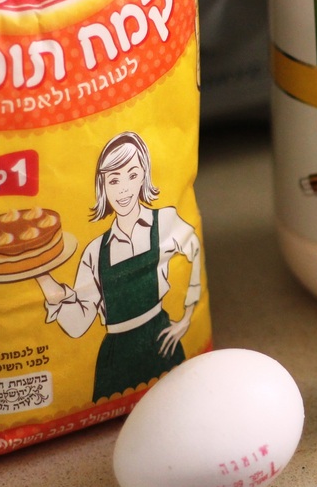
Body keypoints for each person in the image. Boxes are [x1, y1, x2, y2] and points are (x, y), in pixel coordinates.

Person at [36, 131, 201, 401]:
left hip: (162, 342)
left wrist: (187, 318)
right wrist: (45, 280)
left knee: (178, 398)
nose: (123, 189)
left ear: (144, 175)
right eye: (114, 180)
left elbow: (194, 249)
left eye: (132, 175)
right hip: (115, 359)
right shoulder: (95, 251)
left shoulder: (164, 220)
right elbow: (78, 326)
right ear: (102, 185)